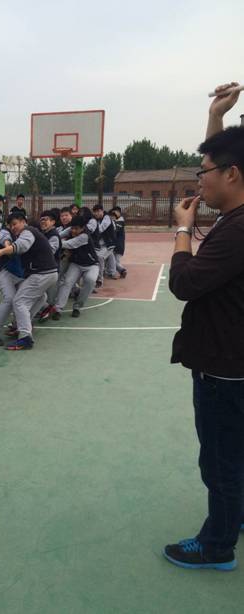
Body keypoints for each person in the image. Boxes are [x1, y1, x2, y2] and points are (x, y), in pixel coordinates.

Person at [164, 83, 244, 571]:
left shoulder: (237, 229)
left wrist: (180, 230)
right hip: (235, 363)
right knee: (235, 454)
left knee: (220, 462)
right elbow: (224, 157)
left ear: (232, 174)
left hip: (224, 371)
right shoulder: (235, 215)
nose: (200, 183)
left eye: (204, 173)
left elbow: (185, 283)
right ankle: (235, 516)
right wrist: (216, 117)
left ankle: (217, 546)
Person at [0, 212, 58, 350]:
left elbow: (22, 245)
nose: (13, 227)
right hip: (47, 273)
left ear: (23, 222)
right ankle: (20, 325)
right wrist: (6, 245)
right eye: (11, 225)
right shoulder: (16, 233)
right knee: (41, 298)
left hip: (41, 273)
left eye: (15, 224)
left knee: (19, 301)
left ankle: (25, 337)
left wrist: (2, 251)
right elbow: (5, 236)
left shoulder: (27, 232)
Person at [50, 216, 99, 319]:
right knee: (67, 282)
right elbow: (58, 235)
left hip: (92, 265)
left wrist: (49, 243)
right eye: (72, 228)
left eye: (76, 229)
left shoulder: (84, 236)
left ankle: (77, 307)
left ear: (83, 228)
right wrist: (50, 237)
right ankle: (58, 309)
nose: (73, 231)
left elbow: (68, 244)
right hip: (76, 264)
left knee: (90, 280)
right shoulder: (70, 229)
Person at [88, 204, 117, 286]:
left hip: (109, 244)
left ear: (102, 211)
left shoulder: (106, 218)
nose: (96, 213)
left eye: (98, 211)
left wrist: (90, 230)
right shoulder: (95, 219)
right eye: (95, 212)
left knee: (100, 257)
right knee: (109, 256)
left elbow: (100, 229)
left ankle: (99, 279)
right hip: (100, 245)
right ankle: (112, 272)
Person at [109, 207, 127, 278]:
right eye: (112, 214)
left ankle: (122, 270)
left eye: (115, 213)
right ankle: (113, 272)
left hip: (118, 245)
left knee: (114, 261)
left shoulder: (120, 222)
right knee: (112, 260)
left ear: (119, 213)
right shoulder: (117, 221)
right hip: (116, 245)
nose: (113, 215)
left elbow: (115, 230)